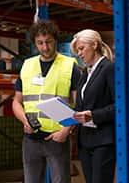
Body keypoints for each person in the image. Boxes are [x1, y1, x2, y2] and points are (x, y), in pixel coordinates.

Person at [12, 19, 81, 183]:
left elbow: (79, 104)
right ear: (35, 43)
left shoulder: (69, 65)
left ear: (55, 40)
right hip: (30, 138)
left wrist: (66, 131)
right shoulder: (27, 66)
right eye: (40, 43)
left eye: (48, 42)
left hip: (57, 138)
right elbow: (16, 101)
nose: (45, 47)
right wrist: (24, 120)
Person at [70, 29, 115, 183]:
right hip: (85, 141)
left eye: (81, 49)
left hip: (103, 140)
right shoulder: (85, 74)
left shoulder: (109, 69)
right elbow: (80, 105)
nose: (79, 54)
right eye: (77, 51)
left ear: (94, 44)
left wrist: (93, 116)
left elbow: (120, 106)